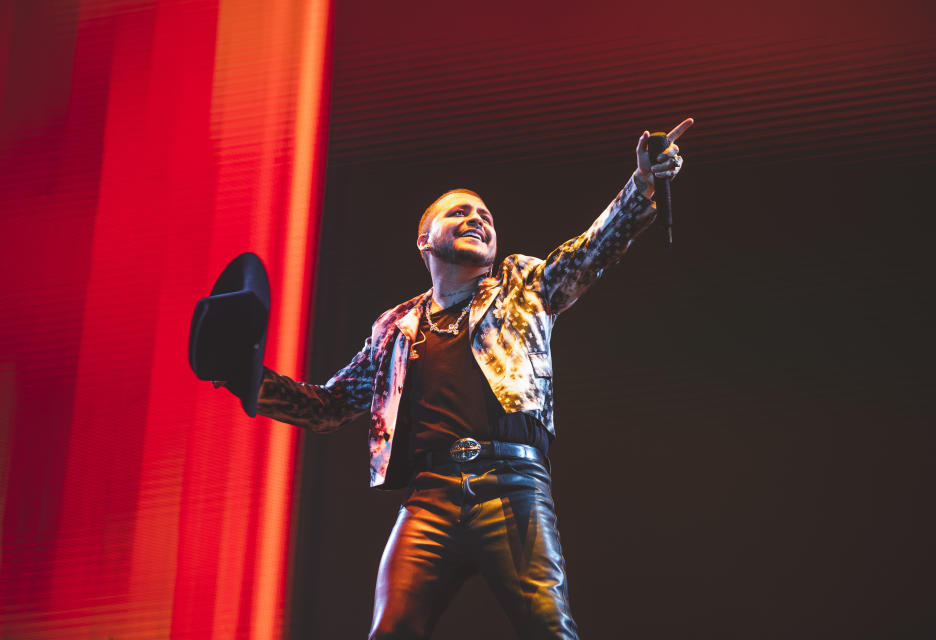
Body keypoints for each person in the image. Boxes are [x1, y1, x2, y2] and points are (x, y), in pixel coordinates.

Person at [233, 119, 692, 639]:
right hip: (430, 497)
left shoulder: (522, 284)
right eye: (460, 212)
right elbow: (329, 405)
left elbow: (589, 252)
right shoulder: (395, 327)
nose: (477, 219)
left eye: (486, 216)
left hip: (512, 486)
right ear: (424, 239)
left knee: (548, 629)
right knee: (390, 633)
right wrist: (247, 379)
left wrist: (643, 182)